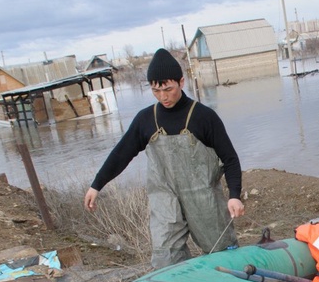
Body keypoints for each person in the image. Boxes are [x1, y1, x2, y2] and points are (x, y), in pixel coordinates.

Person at [84, 48, 245, 269]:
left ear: (181, 82)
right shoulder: (145, 120)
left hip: (203, 197)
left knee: (222, 252)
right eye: (156, 91)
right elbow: (121, 154)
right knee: (165, 259)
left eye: (168, 89)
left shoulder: (204, 117)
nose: (163, 97)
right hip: (164, 198)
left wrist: (234, 195)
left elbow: (230, 159)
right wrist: (96, 185)